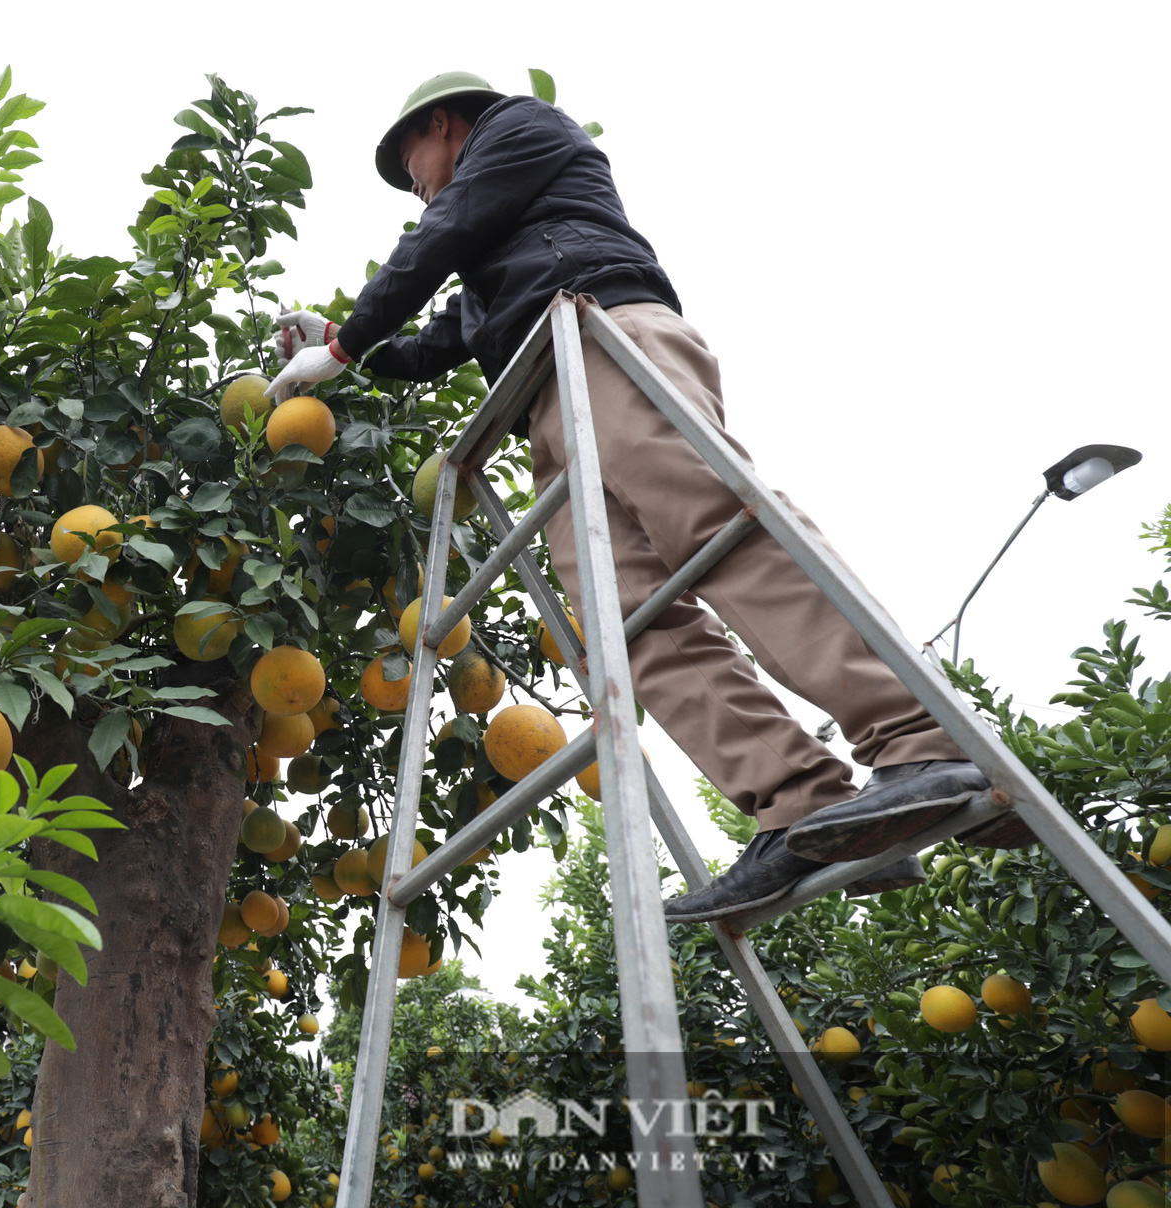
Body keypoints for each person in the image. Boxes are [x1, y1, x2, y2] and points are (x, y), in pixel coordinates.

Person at [265, 72, 1027, 923]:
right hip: (546, 401)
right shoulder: (494, 252)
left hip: (603, 336)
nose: (419, 186)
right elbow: (446, 336)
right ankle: (797, 800)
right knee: (626, 623)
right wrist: (348, 345)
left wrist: (349, 337)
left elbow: (443, 227)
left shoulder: (521, 130)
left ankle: (918, 738)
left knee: (718, 529)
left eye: (414, 168)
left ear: (444, 126)